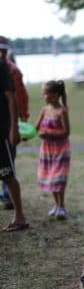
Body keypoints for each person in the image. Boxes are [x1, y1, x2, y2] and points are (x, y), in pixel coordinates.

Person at [0, 36, 29, 210]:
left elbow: (19, 96)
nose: (2, 52)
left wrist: (20, 122)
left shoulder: (11, 70)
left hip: (6, 126)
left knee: (7, 165)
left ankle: (7, 196)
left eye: (4, 49)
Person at [36, 80, 71, 219]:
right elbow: (36, 128)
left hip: (60, 150)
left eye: (46, 94)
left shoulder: (62, 111)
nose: (44, 97)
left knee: (59, 179)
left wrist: (48, 134)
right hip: (47, 151)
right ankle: (56, 205)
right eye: (43, 94)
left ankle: (62, 206)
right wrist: (25, 134)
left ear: (56, 95)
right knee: (50, 178)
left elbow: (66, 132)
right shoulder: (44, 110)